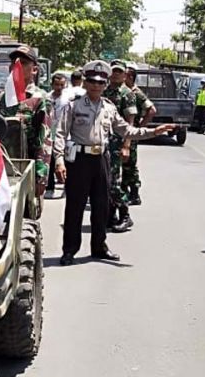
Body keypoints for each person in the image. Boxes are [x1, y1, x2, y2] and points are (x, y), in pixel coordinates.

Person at [53, 60, 174, 265]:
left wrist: (154, 131)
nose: (96, 86)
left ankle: (99, 247)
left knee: (102, 206)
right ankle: (69, 250)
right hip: (79, 160)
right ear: (85, 82)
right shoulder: (73, 106)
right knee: (75, 206)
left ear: (105, 84)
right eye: (91, 81)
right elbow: (60, 133)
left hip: (101, 159)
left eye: (100, 82)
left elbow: (127, 130)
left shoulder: (109, 108)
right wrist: (58, 160)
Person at [0, 45, 53, 198]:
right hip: (2, 165)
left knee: (24, 215)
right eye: (14, 61)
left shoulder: (40, 99)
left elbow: (44, 139)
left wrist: (41, 175)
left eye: (24, 62)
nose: (17, 65)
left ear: (34, 69)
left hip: (27, 166)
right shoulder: (2, 98)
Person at [103, 59, 138, 232]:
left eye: (119, 71)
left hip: (118, 144)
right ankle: (110, 216)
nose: (116, 74)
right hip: (103, 143)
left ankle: (125, 215)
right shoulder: (105, 90)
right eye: (113, 71)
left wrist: (126, 146)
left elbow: (130, 122)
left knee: (114, 183)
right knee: (105, 182)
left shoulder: (127, 94)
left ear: (125, 74)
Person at [123, 63, 156, 205]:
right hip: (124, 132)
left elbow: (152, 110)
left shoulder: (136, 93)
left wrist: (140, 127)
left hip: (131, 133)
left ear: (129, 77)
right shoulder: (124, 92)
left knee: (130, 164)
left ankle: (134, 193)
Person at [45, 73, 71, 198]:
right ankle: (50, 187)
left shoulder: (68, 98)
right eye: (57, 84)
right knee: (50, 160)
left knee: (66, 160)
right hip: (50, 132)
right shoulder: (47, 97)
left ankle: (67, 186)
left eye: (62, 85)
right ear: (52, 84)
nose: (59, 87)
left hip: (65, 133)